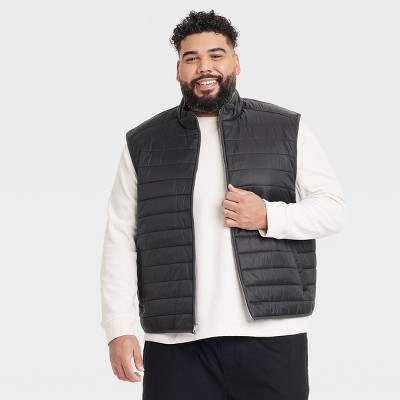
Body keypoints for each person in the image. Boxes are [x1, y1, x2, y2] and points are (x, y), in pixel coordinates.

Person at [100, 10, 346, 400]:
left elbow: (333, 208)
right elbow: (120, 239)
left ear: (236, 62)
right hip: (174, 344)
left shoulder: (285, 129)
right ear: (178, 69)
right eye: (192, 58)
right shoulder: (143, 143)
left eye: (216, 55)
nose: (204, 67)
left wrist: (268, 214)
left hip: (271, 337)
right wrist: (118, 327)